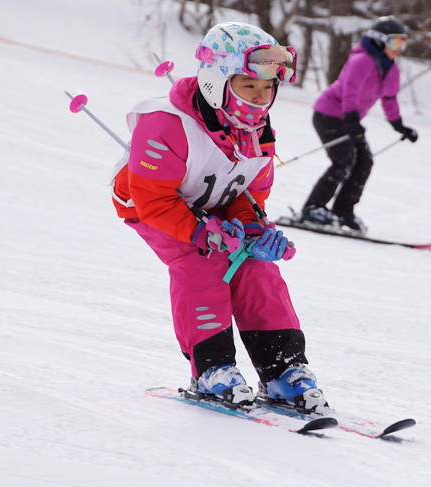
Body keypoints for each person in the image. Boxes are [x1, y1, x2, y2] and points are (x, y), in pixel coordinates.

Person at [111, 22, 328, 413]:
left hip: (211, 205)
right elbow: (153, 199)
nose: (261, 98)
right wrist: (200, 231)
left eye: (268, 88)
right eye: (249, 86)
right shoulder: (166, 125)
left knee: (257, 268)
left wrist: (254, 229)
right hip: (152, 207)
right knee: (200, 261)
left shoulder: (256, 129)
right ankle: (212, 369)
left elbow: (248, 192)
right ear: (216, 81)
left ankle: (283, 369)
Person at [299, 16, 419, 235]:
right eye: (395, 42)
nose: (399, 48)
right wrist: (353, 120)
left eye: (403, 43)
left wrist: (399, 126)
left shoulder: (391, 70)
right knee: (343, 161)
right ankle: (312, 208)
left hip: (349, 119)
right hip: (329, 115)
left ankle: (343, 211)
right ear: (380, 40)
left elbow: (389, 99)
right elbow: (349, 92)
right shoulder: (362, 61)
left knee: (364, 161)